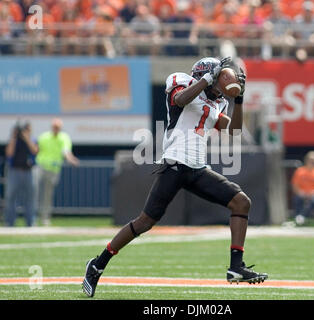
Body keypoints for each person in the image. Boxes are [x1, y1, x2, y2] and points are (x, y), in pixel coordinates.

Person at [82, 56, 268, 297]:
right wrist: (206, 80)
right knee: (145, 221)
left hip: (198, 168)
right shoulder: (180, 82)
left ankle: (236, 267)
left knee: (241, 201)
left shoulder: (218, 102)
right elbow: (180, 100)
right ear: (205, 75)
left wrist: (239, 99)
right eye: (217, 77)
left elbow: (233, 131)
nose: (220, 84)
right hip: (175, 164)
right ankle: (98, 263)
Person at [36, 118, 79, 226]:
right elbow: (36, 150)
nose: (56, 129)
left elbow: (66, 152)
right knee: (34, 193)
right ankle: (32, 217)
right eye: (55, 126)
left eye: (58, 127)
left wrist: (71, 159)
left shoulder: (64, 137)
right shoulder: (44, 137)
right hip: (40, 167)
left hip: (53, 170)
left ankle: (45, 218)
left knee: (47, 195)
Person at [4, 121, 38, 227]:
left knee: (30, 198)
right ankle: (10, 222)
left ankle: (30, 221)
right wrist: (14, 137)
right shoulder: (14, 140)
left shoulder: (32, 140)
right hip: (14, 171)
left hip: (28, 171)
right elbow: (9, 153)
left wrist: (26, 137)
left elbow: (35, 151)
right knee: (11, 197)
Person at [291, 151, 314, 226]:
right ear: (306, 160)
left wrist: (312, 193)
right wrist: (302, 193)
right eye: (310, 159)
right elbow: (294, 186)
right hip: (302, 194)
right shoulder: (300, 171)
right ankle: (299, 218)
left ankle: (301, 217)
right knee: (297, 199)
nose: (312, 161)